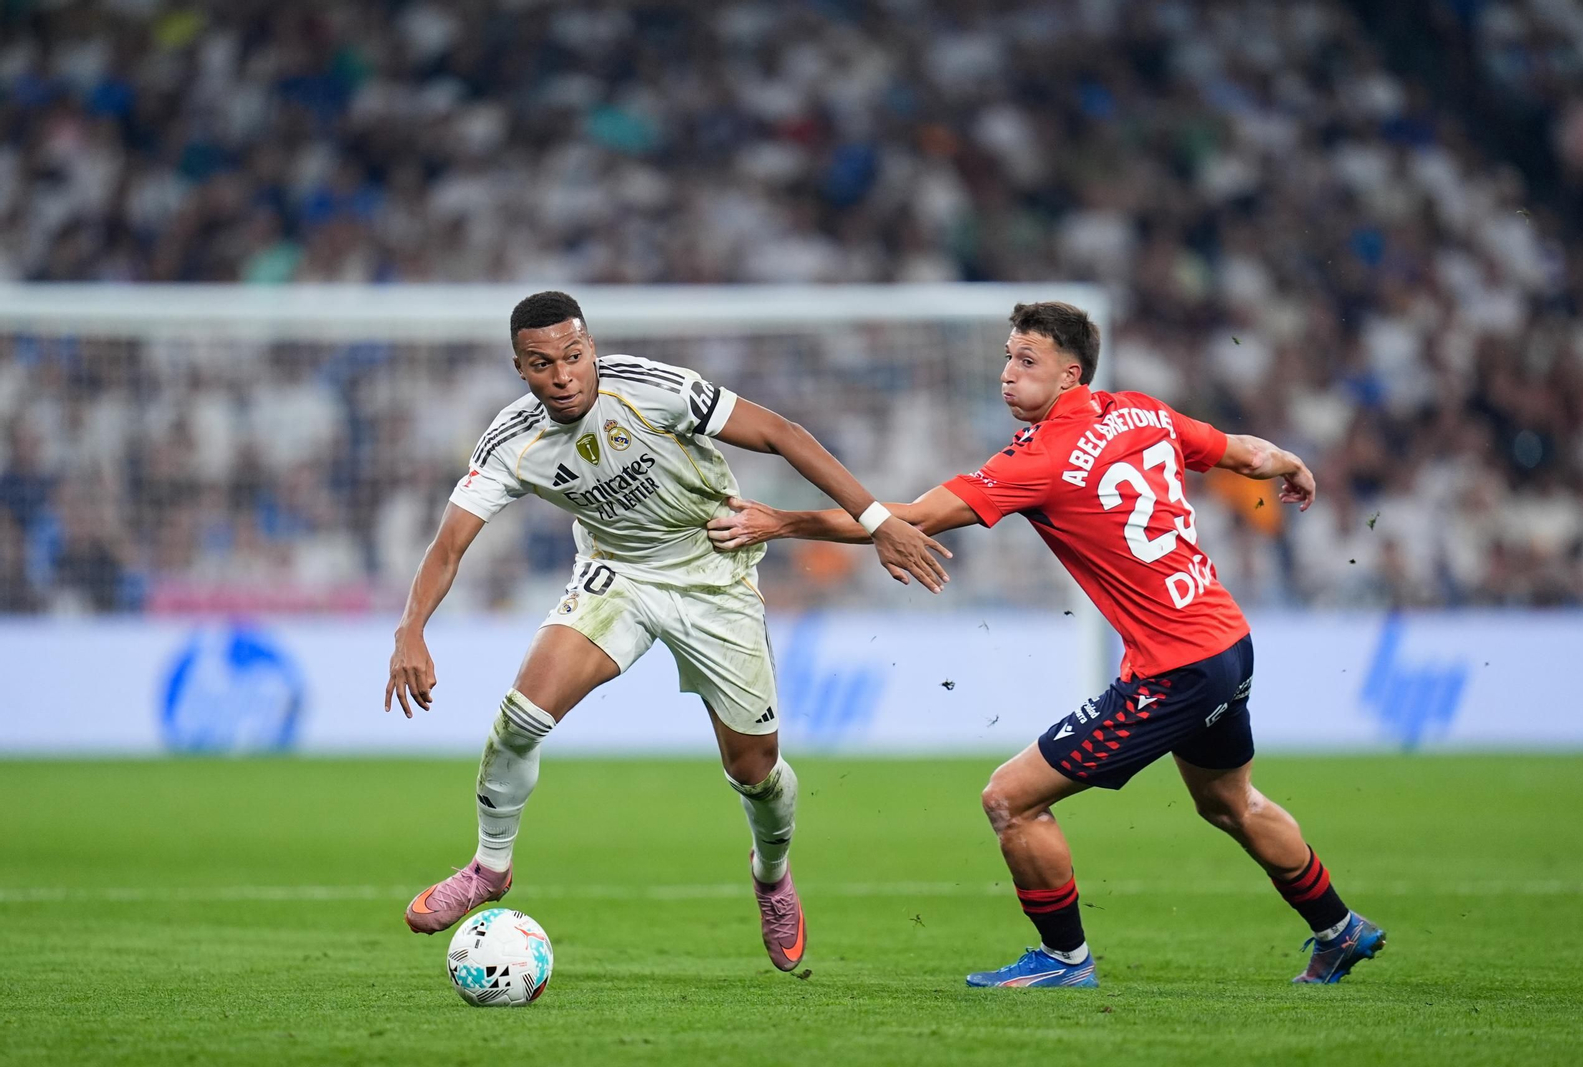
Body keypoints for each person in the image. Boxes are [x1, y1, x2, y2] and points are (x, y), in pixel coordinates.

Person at [706, 301, 1386, 987]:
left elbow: (905, 517)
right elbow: (1241, 451)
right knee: (1230, 802)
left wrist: (782, 521)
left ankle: (1065, 959)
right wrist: (1289, 461)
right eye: (1007, 355)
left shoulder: (1044, 458)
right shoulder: (1144, 411)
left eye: (1025, 360)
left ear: (1069, 374)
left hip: (1176, 669)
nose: (1006, 373)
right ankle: (1340, 928)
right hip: (1227, 642)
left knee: (1011, 798)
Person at [386, 290, 950, 972]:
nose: (563, 375)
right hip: (616, 575)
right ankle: (489, 867)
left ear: (591, 348)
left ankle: (771, 873)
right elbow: (448, 546)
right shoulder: (511, 442)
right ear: (519, 368)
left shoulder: (655, 390)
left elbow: (783, 434)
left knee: (755, 770)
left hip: (714, 568)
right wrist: (411, 628)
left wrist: (876, 521)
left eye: (573, 355)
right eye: (543, 364)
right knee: (521, 715)